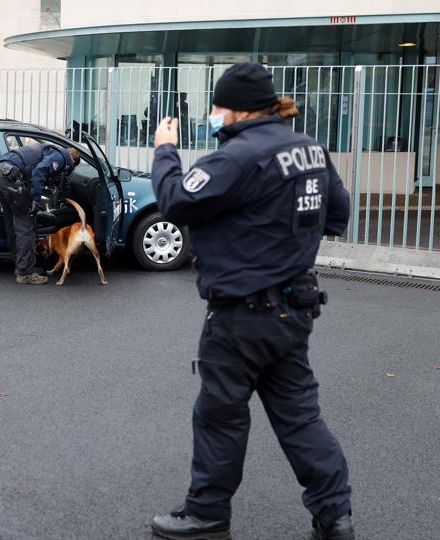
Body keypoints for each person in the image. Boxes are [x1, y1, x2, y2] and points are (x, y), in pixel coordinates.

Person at [148, 62, 354, 540]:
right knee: (300, 417)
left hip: (241, 315)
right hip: (293, 309)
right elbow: (337, 214)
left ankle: (207, 514)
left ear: (239, 110)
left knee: (219, 416)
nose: (214, 115)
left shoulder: (236, 157)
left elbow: (176, 202)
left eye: (218, 106)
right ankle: (335, 516)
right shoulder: (310, 149)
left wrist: (164, 149)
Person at [0, 142, 79, 284]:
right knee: (26, 225)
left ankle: (22, 265)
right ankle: (25, 273)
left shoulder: (50, 150)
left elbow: (34, 170)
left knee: (12, 223)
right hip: (11, 178)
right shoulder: (61, 158)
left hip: (0, 175)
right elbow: (39, 171)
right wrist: (35, 200)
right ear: (71, 162)